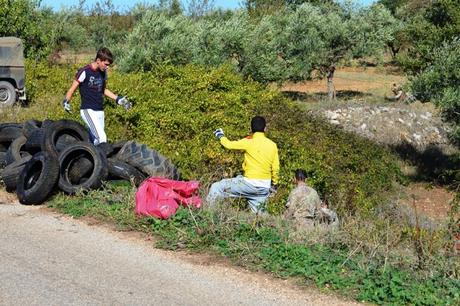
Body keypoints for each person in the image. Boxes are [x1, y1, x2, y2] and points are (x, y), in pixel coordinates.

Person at [207, 116, 280, 214]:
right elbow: (276, 168)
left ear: (251, 129)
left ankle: (207, 216)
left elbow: (228, 144)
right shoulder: (272, 145)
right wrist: (274, 185)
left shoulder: (248, 142)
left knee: (216, 187)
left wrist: (220, 135)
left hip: (248, 184)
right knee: (260, 218)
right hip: (264, 188)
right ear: (265, 129)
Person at [62, 47, 131, 145]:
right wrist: (66, 101)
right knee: (102, 138)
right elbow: (72, 88)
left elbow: (103, 89)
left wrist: (118, 99)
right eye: (106, 64)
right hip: (88, 110)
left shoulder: (103, 73)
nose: (107, 67)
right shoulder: (85, 71)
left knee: (95, 141)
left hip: (100, 111)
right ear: (98, 60)